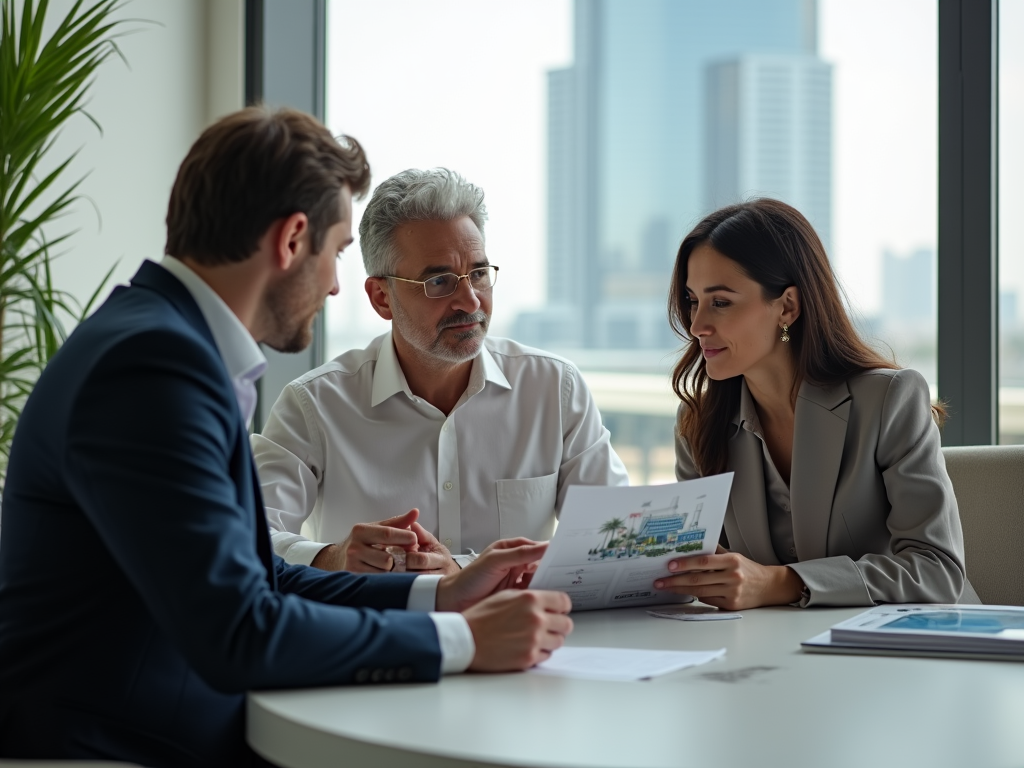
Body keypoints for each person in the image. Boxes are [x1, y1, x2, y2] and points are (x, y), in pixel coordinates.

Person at [0, 107, 573, 767]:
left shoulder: (159, 341)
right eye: (335, 253)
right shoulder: (153, 366)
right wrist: (462, 640)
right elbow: (239, 632)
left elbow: (257, 579)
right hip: (121, 744)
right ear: (291, 239)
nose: (334, 284)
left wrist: (441, 594)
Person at [252, 168, 628, 575]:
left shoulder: (554, 389)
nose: (470, 301)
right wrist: (332, 558)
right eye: (440, 281)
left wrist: (463, 572)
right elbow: (248, 538)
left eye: (479, 274)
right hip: (384, 635)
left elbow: (615, 538)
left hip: (528, 635)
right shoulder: (314, 404)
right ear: (382, 298)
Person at [655, 198, 979, 610]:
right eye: (692, 300)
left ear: (787, 306)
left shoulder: (889, 400)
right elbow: (703, 570)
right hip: (777, 654)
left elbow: (937, 570)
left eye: (720, 302)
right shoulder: (698, 422)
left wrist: (783, 582)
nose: (697, 325)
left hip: (911, 648)